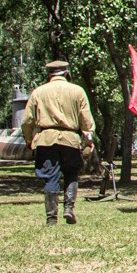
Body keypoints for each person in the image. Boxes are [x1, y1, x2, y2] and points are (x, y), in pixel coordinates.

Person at [21, 60, 97, 225]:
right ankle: (68, 208)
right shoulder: (77, 91)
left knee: (51, 178)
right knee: (71, 173)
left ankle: (51, 218)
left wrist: (29, 139)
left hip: (46, 140)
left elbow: (27, 120)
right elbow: (86, 120)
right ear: (67, 73)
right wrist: (89, 141)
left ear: (50, 74)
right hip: (70, 139)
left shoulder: (38, 92)